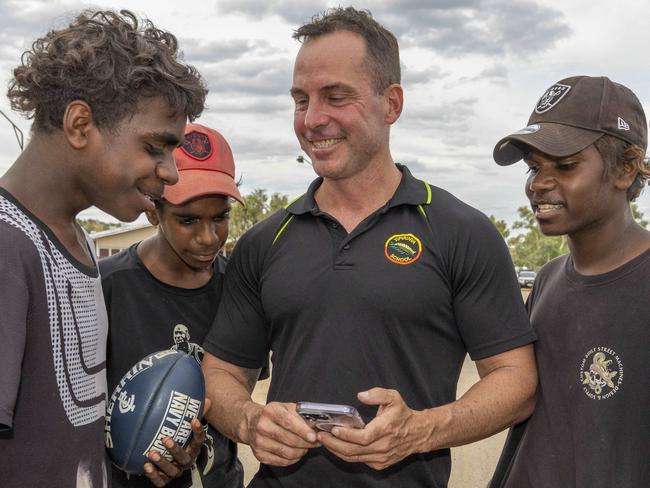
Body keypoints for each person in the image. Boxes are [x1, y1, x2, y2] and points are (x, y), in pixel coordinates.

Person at [201, 7, 538, 487]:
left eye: (336, 97)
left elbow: (516, 380)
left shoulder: (460, 231)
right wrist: (249, 421)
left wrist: (421, 430)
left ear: (392, 103)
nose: (313, 119)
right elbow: (221, 372)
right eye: (301, 99)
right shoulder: (265, 240)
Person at [0, 10, 207, 488]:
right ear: (79, 125)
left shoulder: (83, 244)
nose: (172, 172)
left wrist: (143, 448)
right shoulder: (7, 248)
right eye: (156, 147)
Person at [490, 75, 650, 487]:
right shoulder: (547, 281)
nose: (539, 183)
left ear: (625, 169)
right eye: (533, 167)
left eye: (564, 165)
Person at [100, 123, 246, 488]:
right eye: (188, 219)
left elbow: (240, 396)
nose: (208, 237)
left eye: (221, 216)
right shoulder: (105, 287)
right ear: (153, 210)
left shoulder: (239, 289)